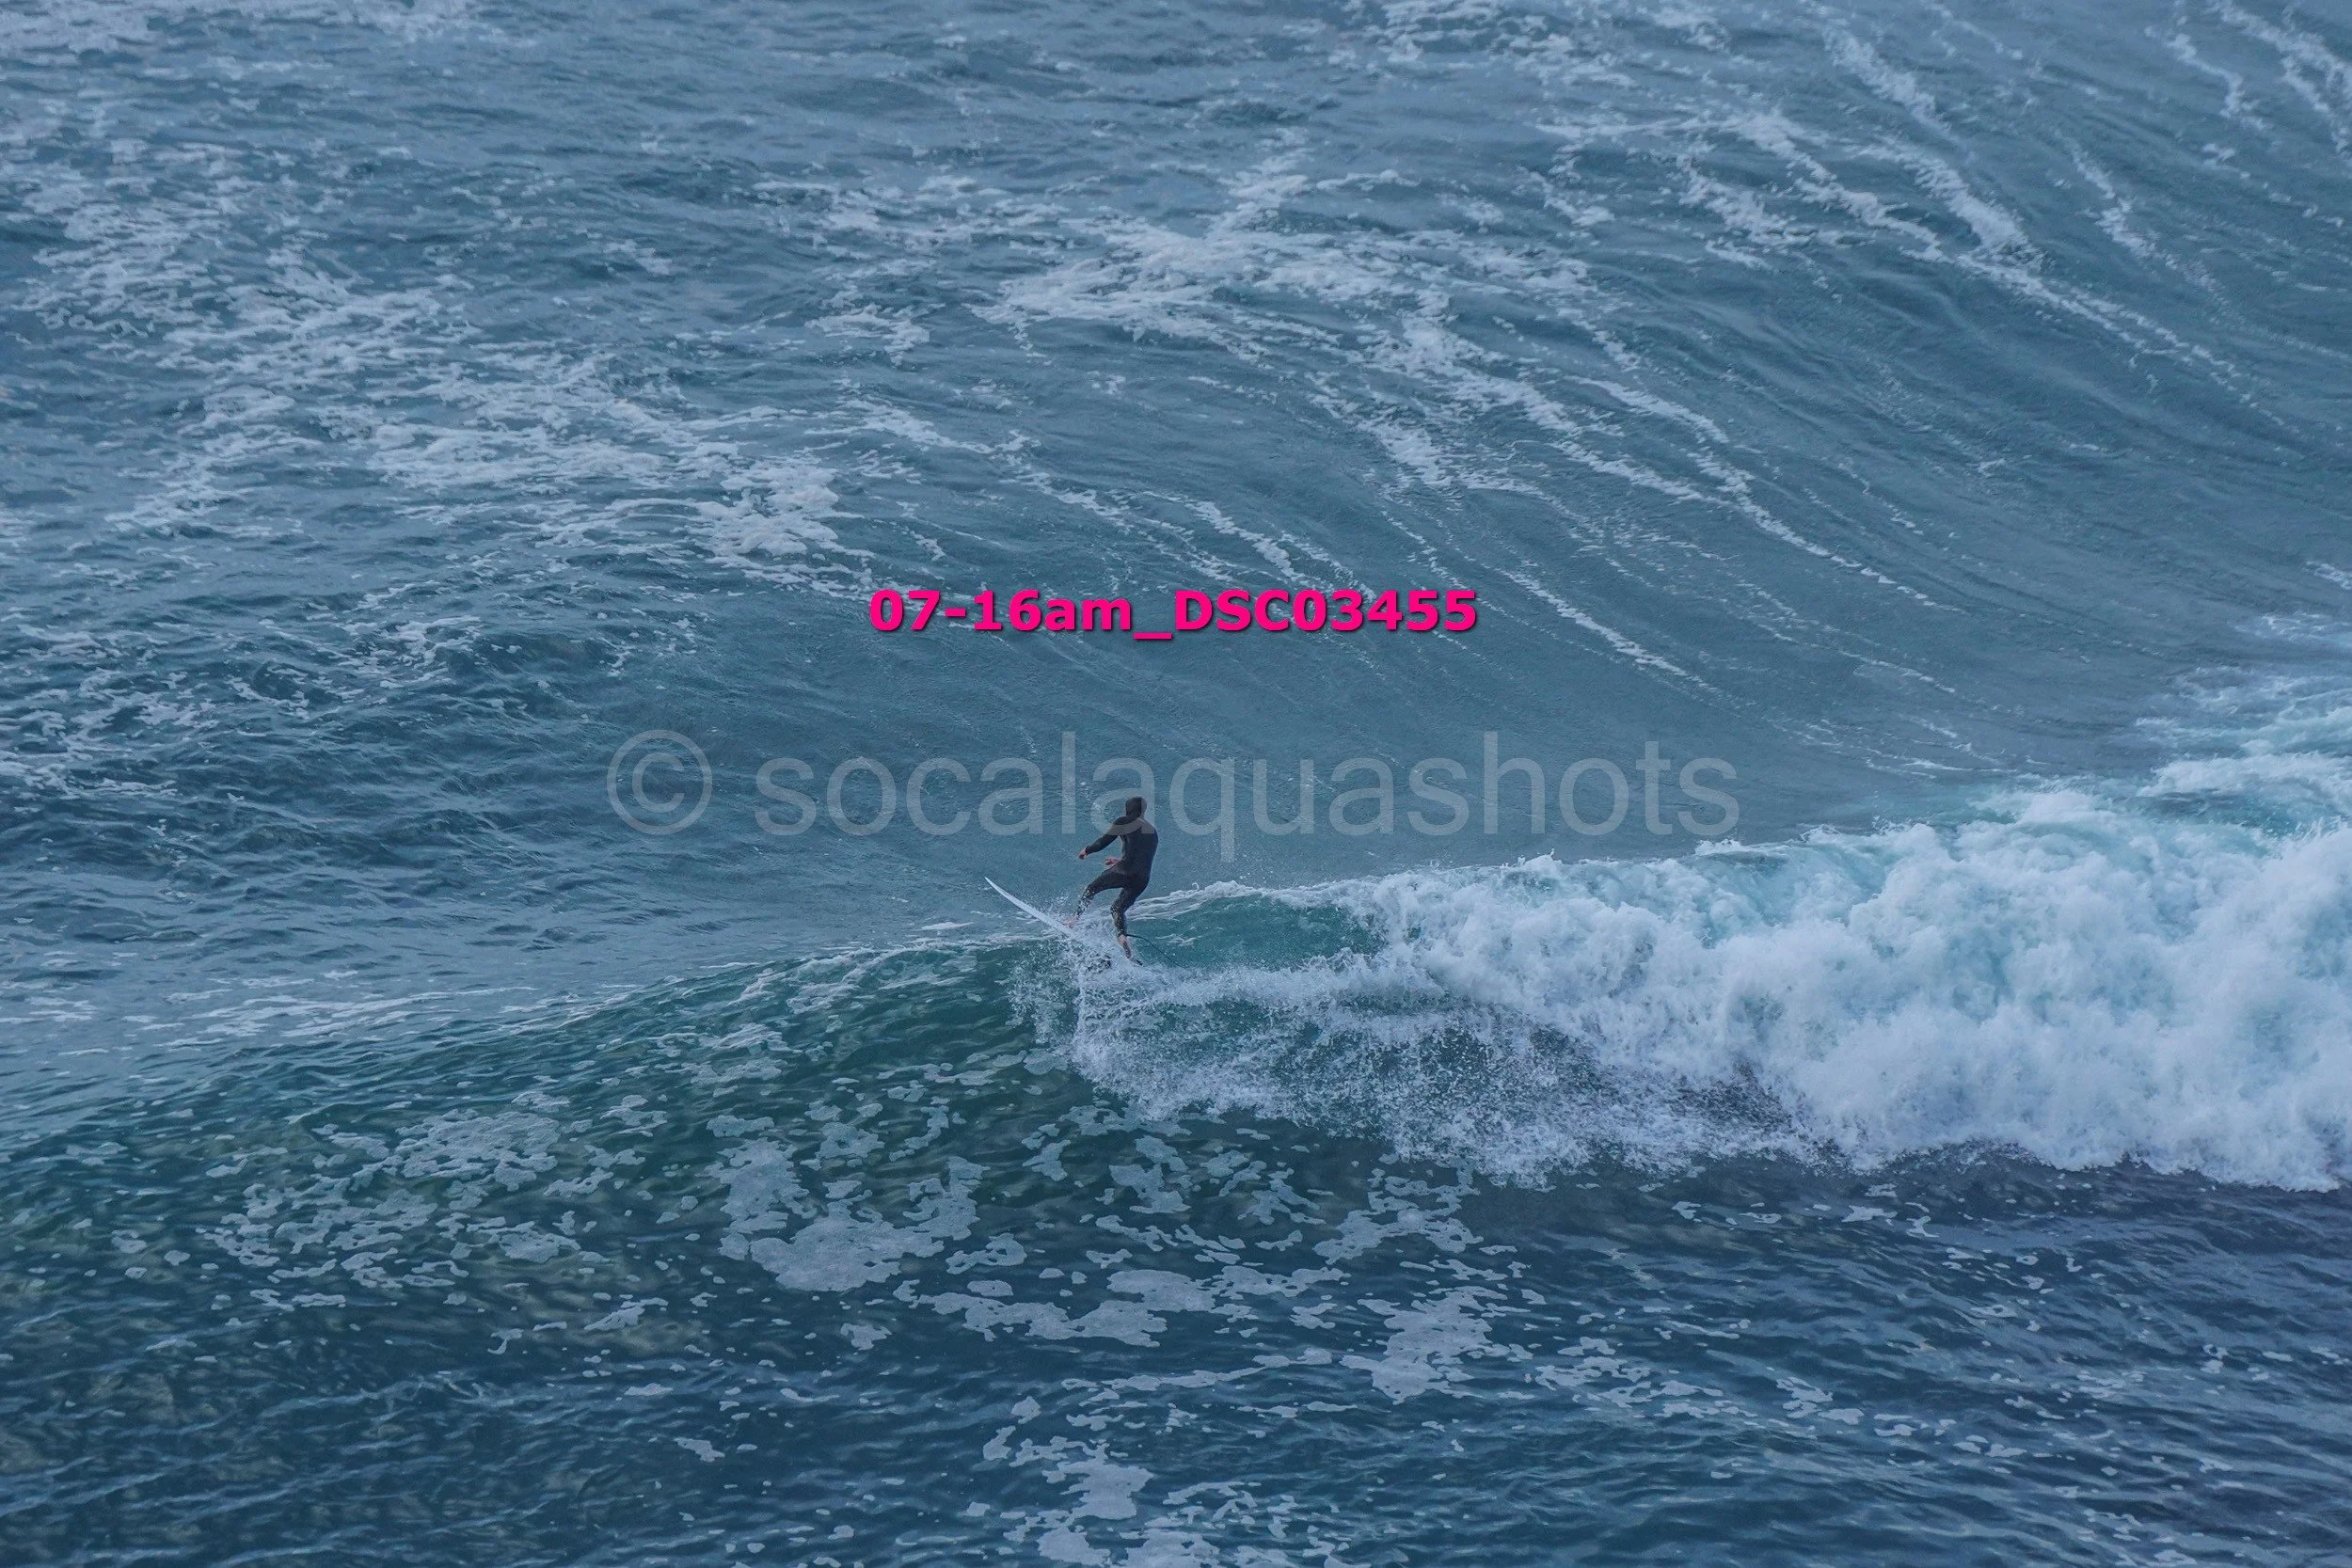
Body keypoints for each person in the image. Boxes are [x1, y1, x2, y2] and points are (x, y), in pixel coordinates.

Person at [1073, 796, 1155, 960]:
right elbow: (1142, 856)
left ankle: (1074, 919)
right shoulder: (1152, 831)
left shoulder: (1124, 821)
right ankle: (1122, 936)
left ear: (1127, 809)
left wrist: (1087, 850)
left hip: (1125, 871)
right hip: (1142, 878)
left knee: (1091, 889)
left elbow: (1103, 842)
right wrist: (1119, 860)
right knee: (1117, 909)